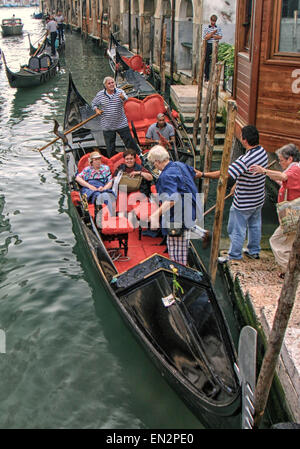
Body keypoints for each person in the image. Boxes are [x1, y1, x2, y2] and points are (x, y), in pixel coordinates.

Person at [197, 125, 268, 262]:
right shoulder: (262, 152)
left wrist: (202, 174)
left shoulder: (245, 160)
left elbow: (224, 174)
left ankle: (234, 255)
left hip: (243, 202)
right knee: (255, 225)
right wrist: (237, 184)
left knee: (236, 229)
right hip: (258, 198)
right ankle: (254, 251)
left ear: (244, 140)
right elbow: (249, 173)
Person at [148, 145, 209, 265]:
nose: (154, 165)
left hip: (178, 213)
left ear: (157, 161)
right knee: (174, 241)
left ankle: (178, 272)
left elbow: (172, 199)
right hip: (192, 206)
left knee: (176, 248)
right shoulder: (180, 165)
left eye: (153, 163)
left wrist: (155, 215)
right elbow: (195, 174)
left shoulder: (165, 176)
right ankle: (203, 234)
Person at [250, 143, 300, 277]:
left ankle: (288, 270)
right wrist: (271, 175)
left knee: (276, 240)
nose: (280, 163)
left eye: (282, 160)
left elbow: (284, 177)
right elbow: (285, 181)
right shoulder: (295, 169)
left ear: (290, 159)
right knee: (290, 242)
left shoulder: (294, 169)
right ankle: (290, 268)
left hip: (292, 213)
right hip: (292, 211)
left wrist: (264, 171)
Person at [91, 77, 138, 157]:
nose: (112, 84)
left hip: (121, 123)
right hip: (107, 125)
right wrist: (96, 110)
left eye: (113, 82)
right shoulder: (100, 95)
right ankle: (112, 161)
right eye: (109, 83)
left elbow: (126, 100)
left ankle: (137, 156)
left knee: (129, 142)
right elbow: (93, 104)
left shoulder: (120, 92)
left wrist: (123, 98)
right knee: (110, 146)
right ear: (105, 85)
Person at [202, 14, 223, 82]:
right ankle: (206, 77)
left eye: (214, 21)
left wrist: (210, 35)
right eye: (212, 21)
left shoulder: (218, 28)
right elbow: (205, 37)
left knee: (215, 60)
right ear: (210, 20)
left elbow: (220, 37)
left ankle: (214, 76)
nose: (213, 22)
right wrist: (213, 33)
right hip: (208, 45)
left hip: (215, 45)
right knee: (207, 61)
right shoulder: (206, 28)